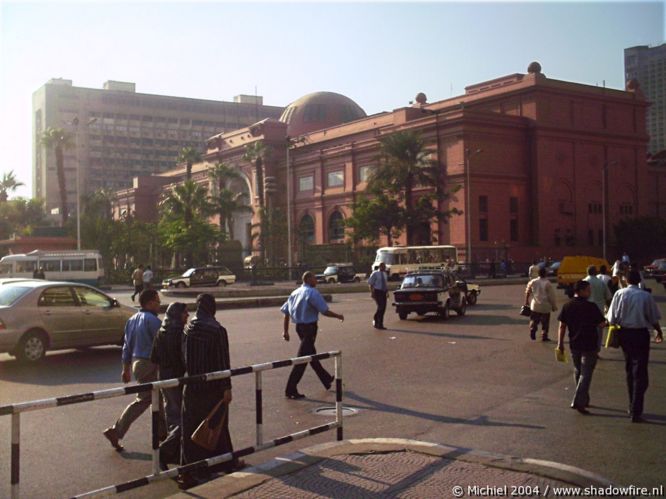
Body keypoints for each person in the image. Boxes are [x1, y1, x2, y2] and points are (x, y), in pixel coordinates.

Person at [181, 294, 241, 483]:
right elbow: (223, 361)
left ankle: (191, 469)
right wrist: (227, 387)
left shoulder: (188, 329)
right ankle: (220, 463)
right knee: (216, 426)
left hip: (191, 386)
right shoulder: (217, 330)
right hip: (212, 387)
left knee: (191, 428)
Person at [103, 289, 165, 451]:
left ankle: (163, 435)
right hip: (150, 364)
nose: (159, 305)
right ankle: (117, 431)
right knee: (146, 399)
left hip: (137, 363)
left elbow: (126, 347)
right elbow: (162, 346)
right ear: (150, 303)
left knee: (156, 398)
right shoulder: (153, 321)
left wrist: (125, 369)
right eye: (157, 302)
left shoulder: (132, 320)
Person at [606, 270, 663, 423]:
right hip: (640, 334)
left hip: (625, 334)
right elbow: (653, 317)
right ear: (639, 280)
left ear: (626, 280)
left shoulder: (619, 294)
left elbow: (612, 317)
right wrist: (658, 331)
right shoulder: (645, 296)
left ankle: (632, 405)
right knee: (640, 371)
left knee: (630, 368)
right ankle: (636, 409)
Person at [281, 272, 344, 399]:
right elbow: (324, 310)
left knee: (310, 355)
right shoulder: (312, 293)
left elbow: (286, 312)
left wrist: (286, 331)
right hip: (310, 328)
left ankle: (326, 379)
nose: (317, 280)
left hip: (299, 328)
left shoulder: (295, 292)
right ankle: (290, 389)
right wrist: (338, 316)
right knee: (302, 359)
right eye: (315, 278)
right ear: (309, 279)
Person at [557, 280, 606, 414]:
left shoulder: (567, 306)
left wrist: (560, 343)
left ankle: (584, 398)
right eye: (588, 290)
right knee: (586, 373)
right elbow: (602, 323)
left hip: (574, 343)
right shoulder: (591, 307)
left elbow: (562, 326)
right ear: (581, 291)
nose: (589, 292)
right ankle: (578, 401)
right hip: (590, 344)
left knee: (578, 370)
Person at [151, 302, 188, 431]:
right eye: (184, 312)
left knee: (171, 412)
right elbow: (184, 359)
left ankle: (172, 440)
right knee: (180, 413)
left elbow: (154, 358)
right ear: (177, 314)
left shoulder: (160, 332)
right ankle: (176, 443)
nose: (187, 315)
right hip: (178, 378)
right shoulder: (180, 334)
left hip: (164, 377)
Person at [524, 267, 558, 341]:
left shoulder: (533, 281)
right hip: (545, 306)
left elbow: (528, 291)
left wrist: (526, 301)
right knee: (545, 322)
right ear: (545, 274)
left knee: (533, 319)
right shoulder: (547, 283)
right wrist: (554, 306)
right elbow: (551, 296)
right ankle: (544, 335)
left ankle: (533, 329)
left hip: (535, 305)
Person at [583, 265, 611, 351]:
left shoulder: (583, 282)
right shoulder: (601, 283)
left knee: (587, 330)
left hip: (586, 310)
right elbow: (608, 297)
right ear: (595, 272)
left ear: (587, 272)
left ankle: (587, 348)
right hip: (599, 310)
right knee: (598, 331)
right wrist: (609, 310)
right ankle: (596, 349)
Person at [368, 262, 389, 329]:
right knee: (381, 307)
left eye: (385, 266)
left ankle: (380, 324)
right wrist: (372, 292)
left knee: (383, 308)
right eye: (383, 266)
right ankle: (376, 320)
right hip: (377, 291)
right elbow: (370, 283)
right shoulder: (375, 273)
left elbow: (385, 284)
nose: (384, 268)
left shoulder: (385, 274)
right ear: (380, 266)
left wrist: (387, 292)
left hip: (383, 292)